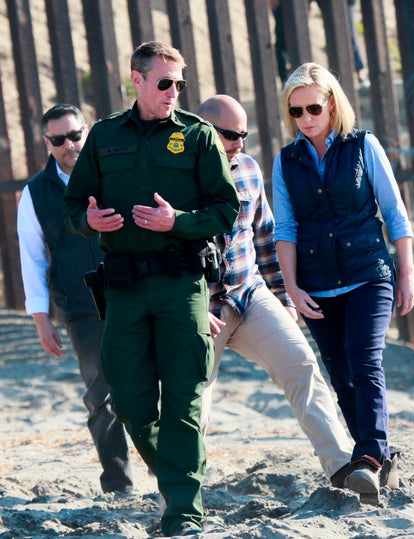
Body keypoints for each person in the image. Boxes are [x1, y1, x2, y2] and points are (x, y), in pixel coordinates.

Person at [64, 41, 240, 537]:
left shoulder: (199, 136)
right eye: (164, 82)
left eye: (179, 83)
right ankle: (181, 475)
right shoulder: (103, 136)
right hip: (122, 289)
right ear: (137, 80)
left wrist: (177, 222)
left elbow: (225, 209)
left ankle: (183, 510)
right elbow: (74, 205)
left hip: (180, 285)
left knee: (183, 397)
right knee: (129, 400)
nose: (173, 92)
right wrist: (89, 220)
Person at [195, 94, 360, 489]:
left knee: (302, 365)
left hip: (249, 294)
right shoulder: (177, 178)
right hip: (199, 305)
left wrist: (284, 298)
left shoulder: (248, 169)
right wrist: (191, 308)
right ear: (204, 132)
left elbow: (266, 237)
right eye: (230, 135)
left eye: (244, 135)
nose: (239, 143)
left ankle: (341, 468)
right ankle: (182, 499)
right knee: (192, 401)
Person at [272, 62, 414, 504]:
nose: (306, 118)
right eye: (296, 111)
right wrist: (292, 288)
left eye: (313, 107)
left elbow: (394, 213)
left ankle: (369, 457)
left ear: (332, 103)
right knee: (340, 376)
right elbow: (286, 229)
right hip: (316, 285)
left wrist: (408, 275)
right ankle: (377, 458)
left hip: (368, 274)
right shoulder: (286, 160)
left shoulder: (362, 145)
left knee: (364, 362)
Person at [17, 104, 133, 495]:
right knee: (101, 395)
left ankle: (172, 473)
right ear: (46, 144)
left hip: (134, 288)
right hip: (81, 305)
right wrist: (40, 318)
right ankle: (118, 484)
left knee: (154, 381)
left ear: (88, 131)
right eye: (58, 140)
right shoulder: (34, 193)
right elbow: (31, 257)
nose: (69, 145)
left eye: (75, 135)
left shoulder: (116, 172)